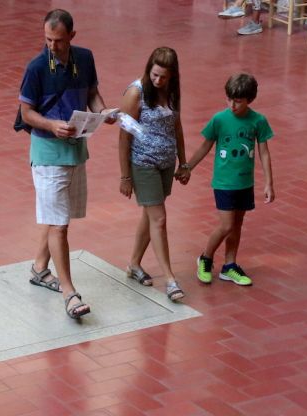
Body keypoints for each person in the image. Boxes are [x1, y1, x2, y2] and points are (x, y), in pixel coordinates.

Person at [19, 9, 115, 319]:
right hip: (47, 155)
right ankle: (69, 292)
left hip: (75, 152)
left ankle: (38, 268)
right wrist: (51, 125)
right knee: (59, 225)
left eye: (58, 41)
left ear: (72, 37)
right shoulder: (35, 68)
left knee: (57, 217)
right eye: (47, 39)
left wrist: (103, 113)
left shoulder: (84, 58)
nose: (51, 46)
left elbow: (92, 94)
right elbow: (26, 114)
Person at [184, 73, 274, 286]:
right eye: (229, 99)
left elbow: (264, 153)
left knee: (237, 224)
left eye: (238, 101)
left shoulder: (258, 121)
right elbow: (205, 145)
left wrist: (269, 182)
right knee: (226, 225)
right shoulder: (219, 119)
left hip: (245, 183)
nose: (232, 105)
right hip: (224, 183)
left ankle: (229, 265)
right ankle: (205, 258)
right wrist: (188, 167)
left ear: (249, 100)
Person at [118, 46, 188, 302]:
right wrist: (125, 176)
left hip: (166, 163)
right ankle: (170, 279)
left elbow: (177, 127)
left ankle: (134, 264)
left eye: (163, 77)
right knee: (159, 219)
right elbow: (124, 136)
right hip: (143, 163)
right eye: (154, 74)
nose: (157, 80)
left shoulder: (171, 92)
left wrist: (184, 162)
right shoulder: (136, 93)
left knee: (150, 215)